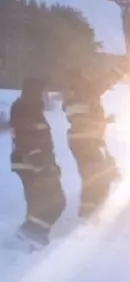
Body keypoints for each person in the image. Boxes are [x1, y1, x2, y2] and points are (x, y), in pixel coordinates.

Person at [8, 76, 65, 247]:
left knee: (40, 202)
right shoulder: (26, 108)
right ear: (35, 91)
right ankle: (31, 234)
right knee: (54, 201)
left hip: (32, 162)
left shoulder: (28, 107)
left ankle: (30, 236)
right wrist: (40, 162)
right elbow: (27, 137)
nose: (45, 96)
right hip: (32, 163)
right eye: (43, 92)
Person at [63, 65, 123, 222]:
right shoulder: (81, 87)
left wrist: (104, 121)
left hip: (79, 139)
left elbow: (82, 115)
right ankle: (90, 214)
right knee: (95, 175)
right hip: (87, 139)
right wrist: (116, 73)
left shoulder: (71, 95)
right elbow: (98, 88)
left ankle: (90, 210)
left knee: (92, 174)